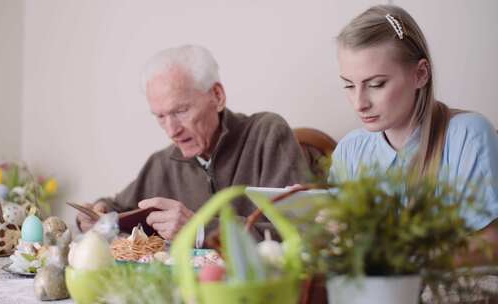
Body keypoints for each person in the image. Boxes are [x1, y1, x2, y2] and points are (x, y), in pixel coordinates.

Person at [77, 45, 311, 242]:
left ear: (217, 96)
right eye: (160, 116)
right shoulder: (163, 162)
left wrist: (199, 229)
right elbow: (117, 208)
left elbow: (301, 231)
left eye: (180, 110)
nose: (172, 130)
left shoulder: (267, 134)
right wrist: (97, 211)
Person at [329, 5, 498, 263]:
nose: (359, 103)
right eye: (349, 85)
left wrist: (401, 260)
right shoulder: (349, 150)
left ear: (420, 74)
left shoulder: (468, 135)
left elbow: (490, 243)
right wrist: (308, 214)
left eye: (376, 84)